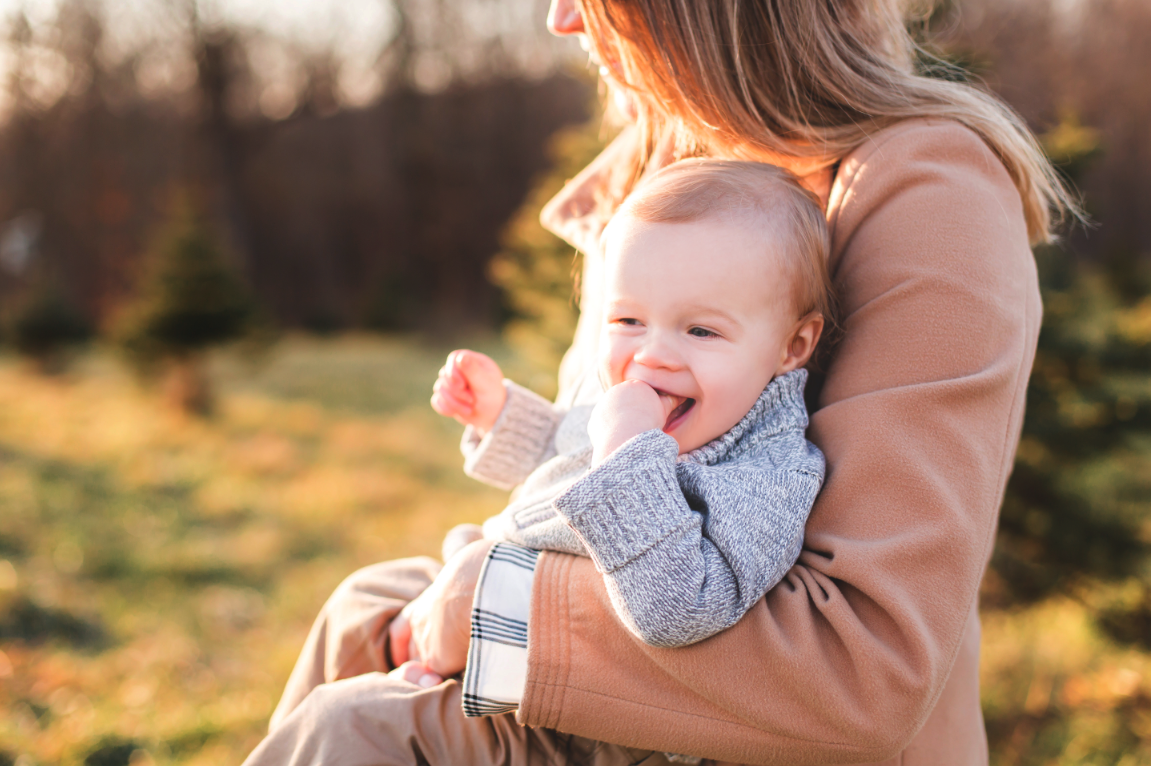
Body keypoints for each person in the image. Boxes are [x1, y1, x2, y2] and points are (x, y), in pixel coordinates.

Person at [242, 0, 1076, 763]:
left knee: (344, 731)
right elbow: (597, 446)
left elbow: (864, 668)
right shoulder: (668, 189)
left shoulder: (922, 195)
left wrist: (493, 607)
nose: (560, 19)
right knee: (367, 609)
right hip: (625, 659)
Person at [431, 160, 829, 667]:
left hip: (537, 676)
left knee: (347, 718)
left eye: (701, 331)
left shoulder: (768, 475)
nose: (651, 354)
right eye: (628, 320)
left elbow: (681, 608)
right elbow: (564, 452)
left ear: (791, 346)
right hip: (480, 580)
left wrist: (625, 450)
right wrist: (497, 413)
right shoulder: (637, 397)